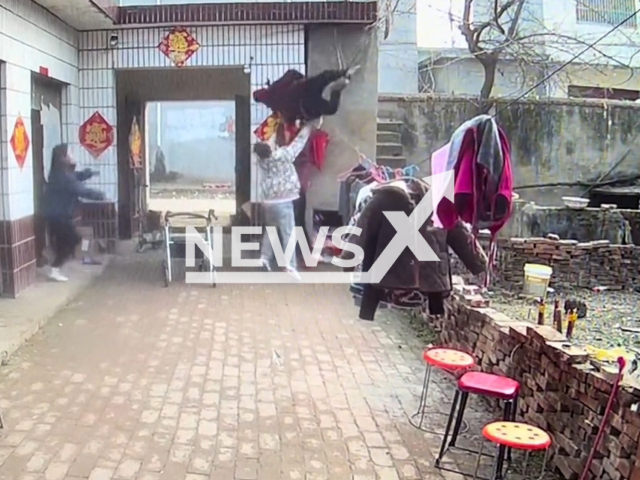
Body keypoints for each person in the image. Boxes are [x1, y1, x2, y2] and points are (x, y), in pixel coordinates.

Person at [254, 117, 322, 279]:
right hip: (284, 200)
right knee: (288, 232)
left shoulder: (262, 161)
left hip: (267, 201)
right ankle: (289, 265)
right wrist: (307, 127)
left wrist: (274, 124)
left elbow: (266, 145)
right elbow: (298, 143)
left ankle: (264, 259)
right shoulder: (283, 155)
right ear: (270, 148)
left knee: (270, 231)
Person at [41, 144, 105, 282]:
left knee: (68, 241)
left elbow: (75, 177)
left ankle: (54, 264)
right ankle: (54, 267)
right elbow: (80, 190)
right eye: (69, 153)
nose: (72, 155)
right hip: (59, 216)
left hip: (57, 215)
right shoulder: (63, 177)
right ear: (62, 158)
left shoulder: (59, 173)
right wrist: (100, 195)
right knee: (72, 240)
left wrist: (87, 174)